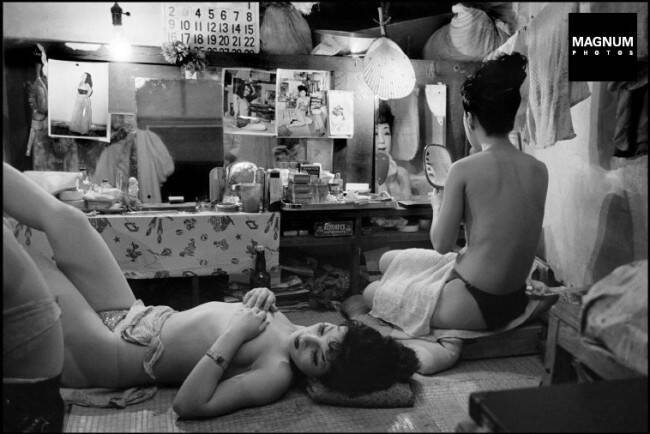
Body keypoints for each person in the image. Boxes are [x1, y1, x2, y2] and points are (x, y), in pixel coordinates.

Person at [2, 162, 419, 419]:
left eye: (317, 356)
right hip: (132, 314)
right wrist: (260, 300)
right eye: (325, 331)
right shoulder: (286, 324)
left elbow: (189, 406)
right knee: (71, 221)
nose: (309, 338)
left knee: (29, 263)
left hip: (109, 355)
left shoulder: (274, 374)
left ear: (322, 380)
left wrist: (234, 335)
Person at [346, 52, 548, 373]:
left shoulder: (463, 169)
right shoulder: (539, 169)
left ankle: (432, 325)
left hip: (475, 300)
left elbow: (441, 244)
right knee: (388, 261)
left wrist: (438, 205)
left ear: (470, 119)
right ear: (511, 116)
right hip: (514, 297)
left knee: (371, 291)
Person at [374, 102, 412, 200]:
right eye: (376, 133)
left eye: (386, 133)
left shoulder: (401, 174)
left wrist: (392, 181)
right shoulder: (362, 175)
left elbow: (405, 206)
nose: (381, 140)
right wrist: (382, 179)